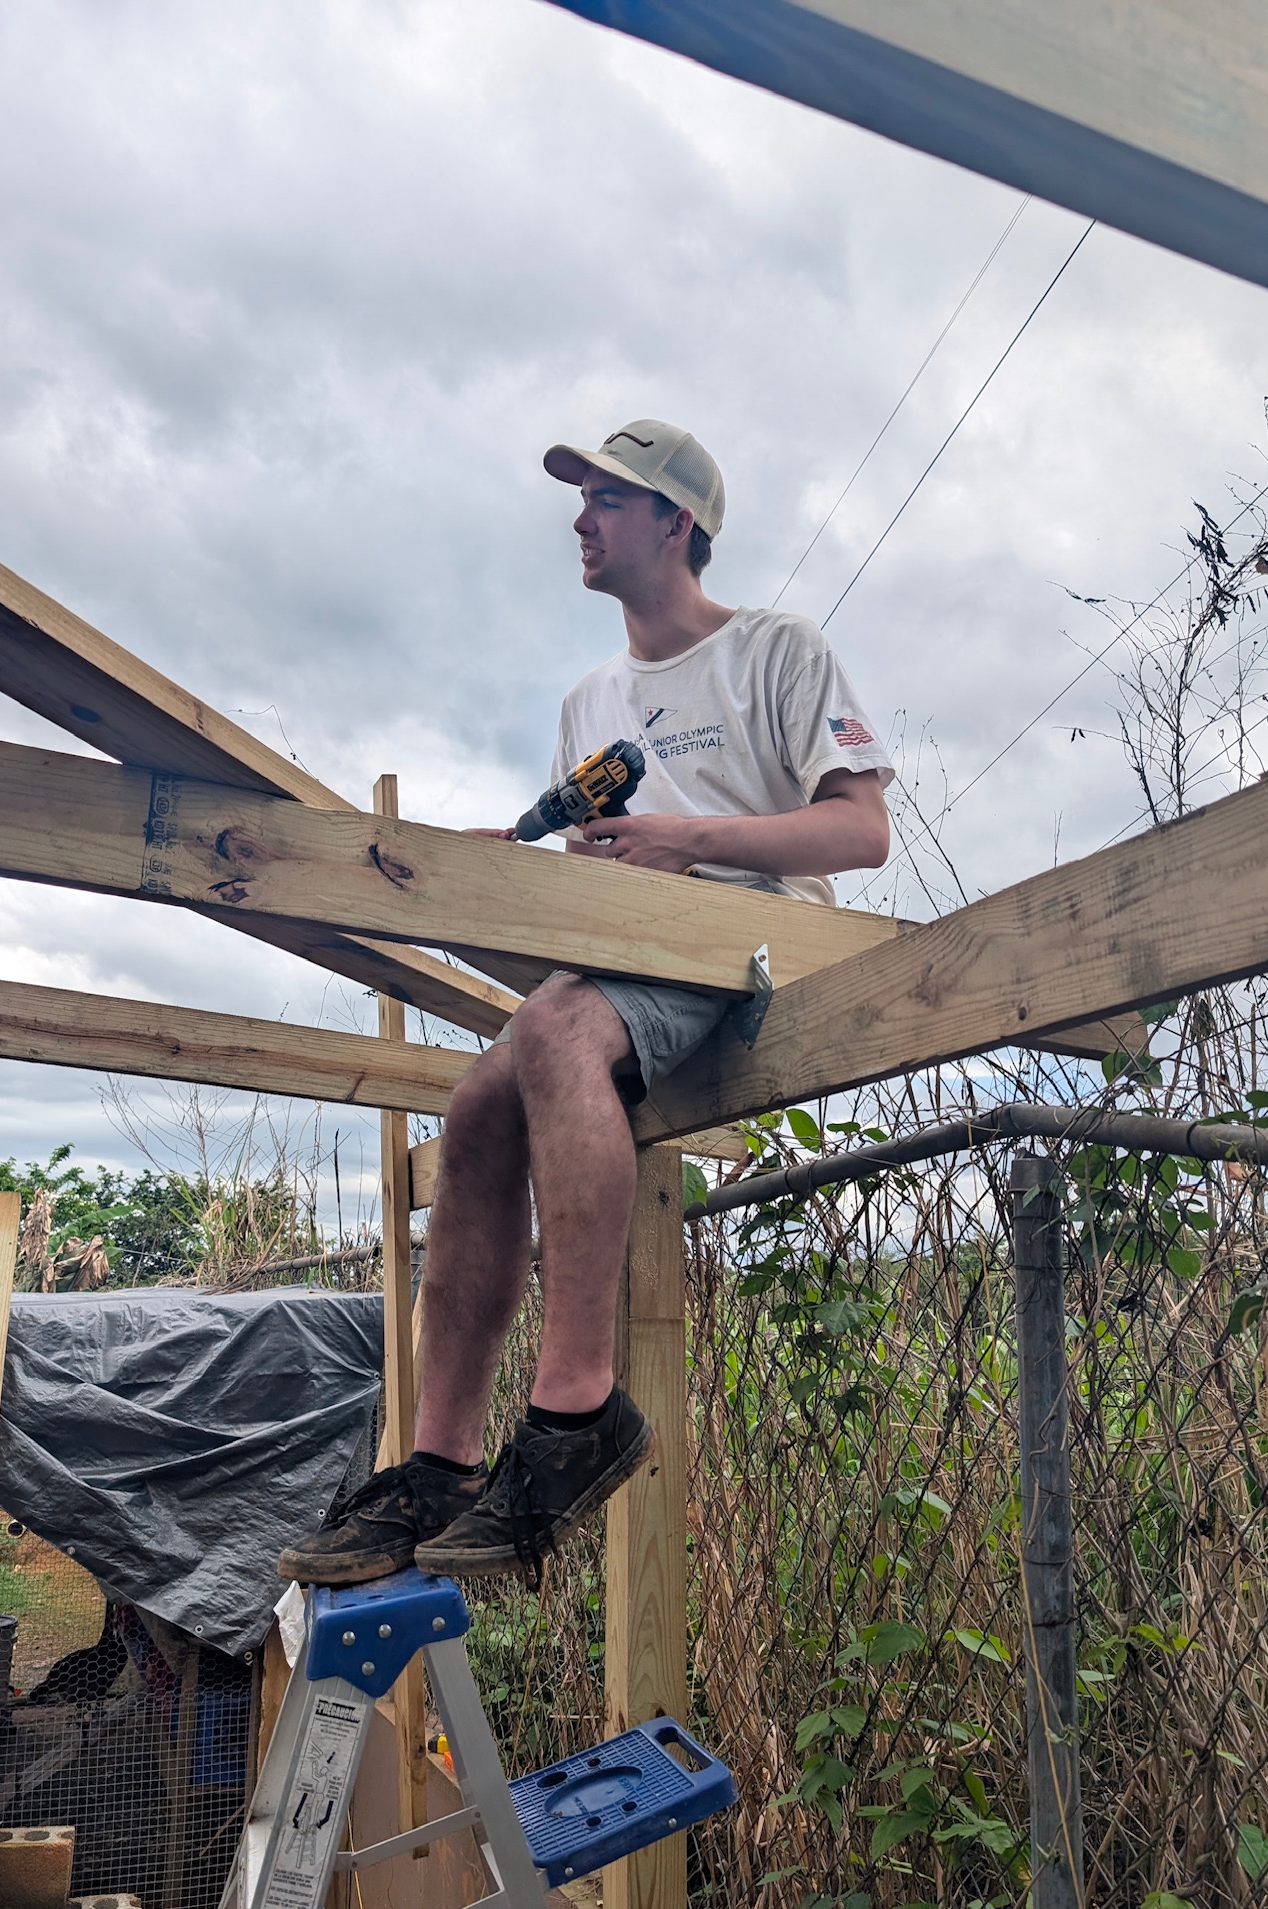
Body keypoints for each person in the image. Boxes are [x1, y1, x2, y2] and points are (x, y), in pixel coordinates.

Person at [281, 419, 893, 1589]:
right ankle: (441, 1465)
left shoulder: (777, 650)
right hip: (624, 952)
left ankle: (576, 1414)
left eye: (609, 499)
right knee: (473, 1107)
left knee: (555, 1029)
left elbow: (860, 830)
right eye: (581, 499)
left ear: (679, 523)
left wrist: (687, 839)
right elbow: (584, 866)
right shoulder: (588, 702)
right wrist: (499, 858)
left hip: (751, 937)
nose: (581, 518)